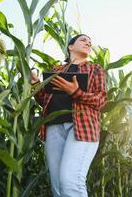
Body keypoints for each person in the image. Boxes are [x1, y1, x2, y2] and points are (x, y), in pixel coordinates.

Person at [30, 34, 107, 197]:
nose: (88, 43)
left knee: (70, 182)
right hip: (53, 128)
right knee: (58, 187)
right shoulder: (56, 70)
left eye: (90, 42)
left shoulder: (95, 69)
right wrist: (35, 84)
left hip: (82, 128)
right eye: (83, 40)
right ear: (70, 47)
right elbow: (44, 99)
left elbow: (101, 100)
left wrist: (77, 92)